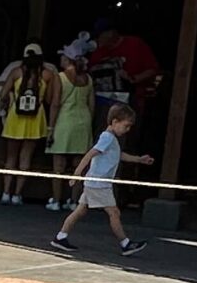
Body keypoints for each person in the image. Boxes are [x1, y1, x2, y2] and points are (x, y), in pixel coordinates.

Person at [52, 103, 153, 257]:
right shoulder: (107, 137)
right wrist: (77, 173)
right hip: (99, 183)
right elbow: (91, 153)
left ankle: (61, 237)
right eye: (126, 126)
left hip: (95, 182)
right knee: (114, 212)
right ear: (114, 122)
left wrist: (139, 159)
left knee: (80, 211)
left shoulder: (111, 139)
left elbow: (119, 155)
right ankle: (125, 243)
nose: (128, 130)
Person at [0, 43, 58, 205]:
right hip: (36, 117)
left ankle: (6, 192)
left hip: (16, 115)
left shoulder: (16, 72)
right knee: (26, 156)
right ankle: (17, 194)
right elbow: (50, 99)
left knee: (11, 156)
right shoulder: (48, 75)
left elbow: (3, 94)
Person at [45, 42, 96, 210]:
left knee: (58, 166)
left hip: (64, 121)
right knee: (79, 165)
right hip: (83, 121)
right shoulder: (88, 79)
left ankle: (55, 200)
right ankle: (73, 201)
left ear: (68, 59)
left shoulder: (60, 77)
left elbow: (55, 103)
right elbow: (91, 105)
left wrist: (50, 128)